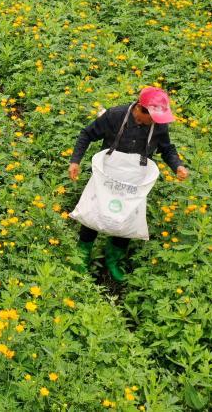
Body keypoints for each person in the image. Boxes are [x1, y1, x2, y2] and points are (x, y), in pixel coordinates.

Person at [68, 87, 189, 281]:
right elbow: (87, 134)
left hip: (135, 178)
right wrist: (75, 161)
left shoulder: (159, 125)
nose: (157, 122)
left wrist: (178, 166)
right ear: (141, 109)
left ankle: (113, 258)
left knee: (127, 217)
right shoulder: (115, 115)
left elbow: (167, 148)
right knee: (95, 211)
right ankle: (82, 254)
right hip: (108, 174)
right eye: (153, 117)